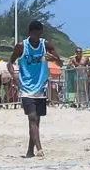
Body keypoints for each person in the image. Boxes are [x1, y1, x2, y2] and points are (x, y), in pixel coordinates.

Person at [10, 22, 63, 156]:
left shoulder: (46, 45)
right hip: (26, 87)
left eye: (40, 34)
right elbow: (9, 63)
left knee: (36, 120)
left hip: (41, 87)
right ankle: (40, 149)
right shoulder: (22, 46)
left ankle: (30, 151)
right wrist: (15, 77)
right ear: (30, 33)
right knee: (32, 117)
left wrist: (54, 58)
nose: (38, 37)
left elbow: (60, 63)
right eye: (36, 34)